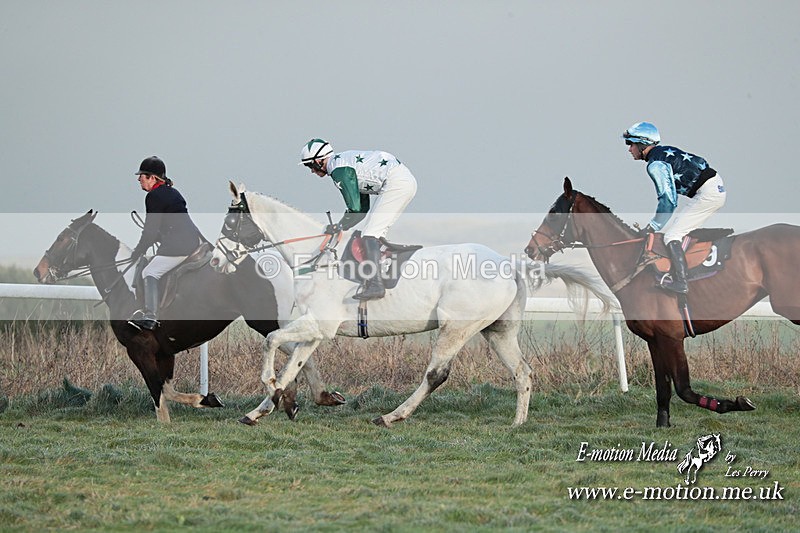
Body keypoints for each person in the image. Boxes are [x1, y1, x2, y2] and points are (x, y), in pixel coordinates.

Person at [299, 138, 417, 300]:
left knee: (370, 234)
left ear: (319, 161)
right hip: (400, 180)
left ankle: (376, 285)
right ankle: (381, 269)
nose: (311, 171)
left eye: (309, 165)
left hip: (396, 182)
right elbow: (362, 209)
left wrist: (340, 226)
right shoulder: (342, 164)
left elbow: (354, 209)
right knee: (372, 232)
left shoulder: (338, 171)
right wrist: (341, 226)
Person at [623, 122, 727, 294]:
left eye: (631, 144)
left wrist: (652, 227)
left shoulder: (655, 164)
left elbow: (668, 201)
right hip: (713, 186)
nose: (629, 149)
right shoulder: (664, 151)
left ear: (641, 144)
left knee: (672, 235)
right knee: (677, 229)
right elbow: (701, 163)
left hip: (708, 194)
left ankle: (681, 282)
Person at [128, 156, 206, 330]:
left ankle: (150, 316)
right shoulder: (173, 192)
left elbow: (149, 232)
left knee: (150, 272)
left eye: (142, 176)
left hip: (178, 246)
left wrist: (138, 251)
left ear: (153, 178)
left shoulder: (153, 196)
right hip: (190, 241)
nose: (138, 179)